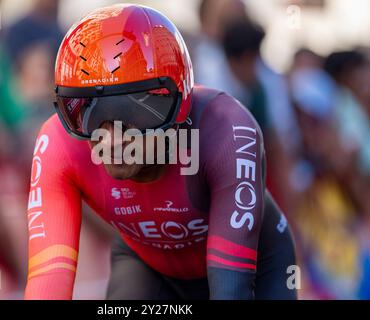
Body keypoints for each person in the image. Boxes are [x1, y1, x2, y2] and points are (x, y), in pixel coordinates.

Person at [24, 4, 296, 300]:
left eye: (130, 115)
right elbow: (48, 280)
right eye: (87, 115)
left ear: (177, 106)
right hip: (146, 265)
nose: (111, 140)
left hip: (257, 265)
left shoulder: (228, 131)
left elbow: (231, 290)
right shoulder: (58, 142)